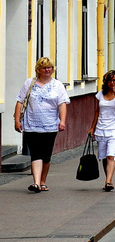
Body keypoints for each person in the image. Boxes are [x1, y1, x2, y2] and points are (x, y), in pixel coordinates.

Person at [13, 57, 69, 193]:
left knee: (46, 155)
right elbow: (20, 101)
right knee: (36, 153)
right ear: (38, 69)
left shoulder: (57, 85)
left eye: (49, 67)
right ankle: (36, 183)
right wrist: (17, 120)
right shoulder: (29, 83)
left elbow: (62, 104)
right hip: (31, 125)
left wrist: (62, 121)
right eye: (44, 68)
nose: (47, 70)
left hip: (50, 125)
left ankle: (43, 181)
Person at [89, 70, 115, 192]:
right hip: (101, 129)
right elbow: (97, 111)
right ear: (106, 82)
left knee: (111, 156)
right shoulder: (100, 94)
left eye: (114, 80)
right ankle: (108, 178)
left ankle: (108, 181)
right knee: (104, 157)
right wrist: (92, 127)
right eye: (110, 80)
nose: (112, 83)